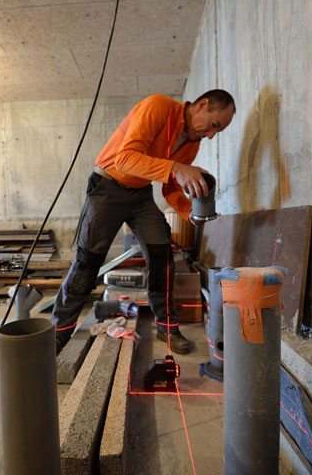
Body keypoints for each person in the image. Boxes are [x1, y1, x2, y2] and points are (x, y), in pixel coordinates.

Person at [52, 89, 236, 354]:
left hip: (140, 194)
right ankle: (59, 331)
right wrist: (176, 168)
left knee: (162, 254)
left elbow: (170, 188)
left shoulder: (192, 143)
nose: (210, 135)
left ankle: (167, 327)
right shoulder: (159, 107)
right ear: (202, 105)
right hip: (108, 185)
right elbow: (124, 159)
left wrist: (189, 213)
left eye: (217, 132)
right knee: (88, 259)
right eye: (213, 126)